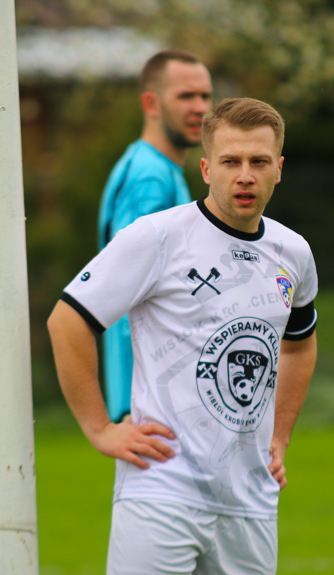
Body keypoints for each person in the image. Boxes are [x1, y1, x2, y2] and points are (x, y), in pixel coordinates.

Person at [48, 97, 318, 575]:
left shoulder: (293, 253)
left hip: (251, 499)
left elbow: (299, 344)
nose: (245, 175)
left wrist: (281, 436)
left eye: (258, 162)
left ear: (279, 168)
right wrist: (99, 428)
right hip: (161, 490)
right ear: (206, 168)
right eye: (230, 161)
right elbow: (68, 320)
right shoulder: (156, 237)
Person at [98, 49, 214, 423]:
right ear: (151, 103)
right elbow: (123, 286)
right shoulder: (150, 178)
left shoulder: (158, 168)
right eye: (185, 96)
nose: (200, 108)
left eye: (206, 96)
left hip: (156, 393)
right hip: (151, 399)